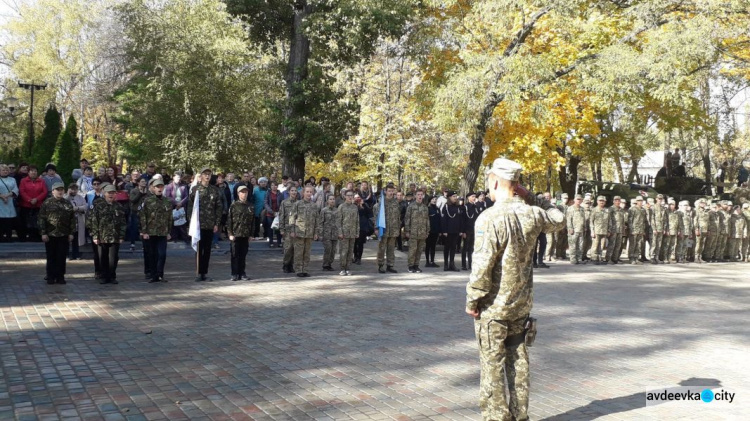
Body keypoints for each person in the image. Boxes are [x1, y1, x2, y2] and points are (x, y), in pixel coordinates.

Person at [465, 158, 564, 421]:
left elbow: (482, 266)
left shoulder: (489, 217)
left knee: (492, 367)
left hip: (494, 308)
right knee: (519, 363)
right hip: (521, 304)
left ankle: (497, 418)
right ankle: (521, 416)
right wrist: (533, 197)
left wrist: (472, 299)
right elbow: (559, 217)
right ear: (518, 185)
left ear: (495, 181)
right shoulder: (533, 213)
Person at [187, 167, 224, 282]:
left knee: (207, 250)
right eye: (205, 174)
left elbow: (219, 207)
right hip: (198, 225)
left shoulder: (214, 190)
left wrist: (217, 223)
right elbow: (190, 207)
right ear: (201, 176)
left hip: (210, 224)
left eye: (209, 174)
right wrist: (190, 222)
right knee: (199, 249)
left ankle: (205, 273)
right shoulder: (195, 189)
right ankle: (198, 273)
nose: (207, 176)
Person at [38, 182, 76, 284]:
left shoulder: (67, 203)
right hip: (50, 234)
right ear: (53, 191)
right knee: (51, 256)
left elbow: (72, 219)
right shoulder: (47, 203)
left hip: (63, 234)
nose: (60, 192)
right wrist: (43, 233)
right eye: (58, 190)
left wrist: (72, 233)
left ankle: (60, 276)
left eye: (61, 190)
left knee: (61, 256)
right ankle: (50, 276)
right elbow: (41, 219)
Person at [90, 184, 126, 284]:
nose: (111, 195)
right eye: (109, 193)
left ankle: (112, 276)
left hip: (115, 236)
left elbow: (123, 222)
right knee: (102, 258)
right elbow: (93, 221)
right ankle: (104, 276)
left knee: (113, 258)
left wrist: (122, 235)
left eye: (113, 193)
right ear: (104, 193)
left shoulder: (118, 206)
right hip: (102, 236)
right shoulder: (98, 204)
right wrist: (95, 235)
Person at [139, 178, 173, 283]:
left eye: (161, 186)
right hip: (151, 232)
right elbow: (143, 216)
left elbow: (170, 217)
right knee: (152, 254)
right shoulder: (147, 201)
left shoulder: (167, 201)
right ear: (153, 188)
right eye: (157, 187)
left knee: (162, 254)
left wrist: (169, 232)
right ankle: (153, 275)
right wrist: (144, 232)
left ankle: (160, 274)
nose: (159, 188)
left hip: (162, 232)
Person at [290, 186, 320, 277]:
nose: (309, 193)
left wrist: (316, 232)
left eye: (310, 192)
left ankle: (305, 269)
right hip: (299, 232)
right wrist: (292, 230)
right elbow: (292, 218)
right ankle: (299, 270)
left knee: (307, 253)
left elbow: (316, 220)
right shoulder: (298, 204)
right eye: (307, 192)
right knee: (299, 252)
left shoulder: (314, 206)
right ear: (303, 193)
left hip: (309, 233)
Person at [373, 183, 402, 273]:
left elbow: (398, 217)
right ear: (385, 191)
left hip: (393, 229)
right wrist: (376, 229)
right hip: (383, 229)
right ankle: (381, 265)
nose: (391, 193)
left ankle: (390, 265)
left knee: (391, 249)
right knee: (382, 248)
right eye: (389, 191)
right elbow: (376, 217)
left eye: (392, 191)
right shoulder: (380, 204)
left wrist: (398, 228)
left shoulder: (396, 203)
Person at [227, 185, 253, 281]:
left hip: (245, 234)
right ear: (238, 194)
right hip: (235, 234)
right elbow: (229, 221)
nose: (244, 194)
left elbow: (252, 221)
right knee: (234, 255)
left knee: (243, 255)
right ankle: (234, 273)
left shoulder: (250, 205)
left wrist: (251, 234)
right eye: (242, 192)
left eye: (246, 192)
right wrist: (230, 234)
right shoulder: (234, 205)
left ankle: (242, 273)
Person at [18, 165, 48, 242]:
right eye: (31, 171)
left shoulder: (41, 181)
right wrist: (29, 200)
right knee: (25, 222)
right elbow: (22, 191)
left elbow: (44, 192)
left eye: (35, 171)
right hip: (26, 205)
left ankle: (36, 237)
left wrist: (37, 199)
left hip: (38, 205)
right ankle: (23, 238)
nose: (33, 172)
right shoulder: (23, 180)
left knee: (37, 222)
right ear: (28, 172)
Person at [404, 190, 430, 273]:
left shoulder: (425, 207)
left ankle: (416, 265)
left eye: (421, 195)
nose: (420, 196)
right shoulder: (411, 206)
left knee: (419, 250)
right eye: (418, 194)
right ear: (415, 196)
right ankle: (410, 266)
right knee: (412, 250)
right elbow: (407, 219)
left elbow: (427, 220)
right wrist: (407, 230)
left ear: (423, 196)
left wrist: (427, 231)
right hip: (413, 232)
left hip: (422, 232)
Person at [439, 190, 465, 271]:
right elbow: (443, 220)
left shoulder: (457, 207)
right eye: (453, 196)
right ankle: (446, 264)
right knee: (447, 247)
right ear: (449, 197)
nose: (455, 198)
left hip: (456, 230)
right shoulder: (446, 207)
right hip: (448, 231)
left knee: (453, 247)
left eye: (456, 196)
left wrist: (461, 230)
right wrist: (444, 231)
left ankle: (452, 264)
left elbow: (460, 219)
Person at [337, 190, 359, 275]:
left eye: (351, 195)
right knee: (343, 251)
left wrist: (357, 231)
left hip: (352, 232)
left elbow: (357, 220)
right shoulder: (341, 207)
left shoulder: (355, 207)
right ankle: (343, 268)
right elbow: (338, 221)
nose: (350, 197)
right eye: (348, 195)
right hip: (344, 232)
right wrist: (340, 232)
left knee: (350, 251)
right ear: (345, 196)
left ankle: (348, 268)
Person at [279, 187, 298, 273]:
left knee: (294, 248)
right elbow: (281, 216)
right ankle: (285, 264)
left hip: (296, 229)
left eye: (295, 191)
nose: (294, 192)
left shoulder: (299, 203)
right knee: (288, 248)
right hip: (287, 228)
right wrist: (281, 229)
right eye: (292, 191)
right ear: (289, 192)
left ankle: (291, 265)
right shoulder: (284, 202)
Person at [65, 183, 87, 260]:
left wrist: (77, 208)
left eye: (75, 189)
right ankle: (66, 254)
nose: (73, 191)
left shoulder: (80, 197)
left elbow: (85, 206)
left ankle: (76, 254)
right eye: (72, 189)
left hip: (78, 220)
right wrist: (68, 195)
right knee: (67, 238)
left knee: (76, 239)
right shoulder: (65, 197)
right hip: (68, 221)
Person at [588, 195, 610, 264]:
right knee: (595, 245)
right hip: (596, 231)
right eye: (600, 201)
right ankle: (594, 258)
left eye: (603, 201)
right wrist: (592, 231)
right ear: (597, 201)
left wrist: (609, 230)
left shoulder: (607, 210)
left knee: (602, 246)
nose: (602, 202)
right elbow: (591, 221)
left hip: (604, 231)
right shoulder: (594, 210)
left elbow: (609, 221)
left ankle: (599, 258)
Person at [319, 195, 339, 271]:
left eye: (333, 199)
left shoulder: (337, 210)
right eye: (330, 199)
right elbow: (320, 222)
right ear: (327, 201)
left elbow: (339, 222)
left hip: (335, 234)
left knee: (333, 250)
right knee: (328, 249)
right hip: (326, 233)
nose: (332, 201)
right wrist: (320, 234)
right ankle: (325, 265)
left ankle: (330, 263)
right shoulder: (324, 210)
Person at [0, 164, 19, 242]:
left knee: (9, 221)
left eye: (6, 170)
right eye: (3, 170)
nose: (5, 171)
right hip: (0, 202)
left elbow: (15, 189)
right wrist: (2, 196)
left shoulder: (12, 179)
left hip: (9, 201)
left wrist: (7, 195)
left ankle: (9, 237)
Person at [353, 194, 373, 265]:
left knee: (360, 243)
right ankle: (355, 256)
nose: (357, 199)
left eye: (358, 197)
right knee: (354, 243)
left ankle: (359, 258)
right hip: (353, 227)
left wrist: (363, 205)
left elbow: (370, 213)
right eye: (355, 198)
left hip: (362, 227)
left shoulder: (364, 205)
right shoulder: (352, 205)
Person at [566, 195, 585, 264]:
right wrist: (570, 228)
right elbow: (568, 219)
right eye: (578, 199)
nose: (579, 200)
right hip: (574, 230)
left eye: (580, 199)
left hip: (581, 229)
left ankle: (579, 259)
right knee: (573, 245)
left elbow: (583, 219)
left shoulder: (582, 209)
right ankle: (573, 259)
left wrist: (584, 227)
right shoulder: (570, 208)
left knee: (580, 245)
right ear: (574, 200)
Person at [628, 196, 647, 264]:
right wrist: (631, 229)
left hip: (640, 230)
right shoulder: (632, 209)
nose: (640, 202)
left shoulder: (643, 210)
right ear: (636, 201)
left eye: (641, 201)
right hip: (634, 230)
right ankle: (631, 258)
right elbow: (630, 220)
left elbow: (644, 221)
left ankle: (636, 257)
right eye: (639, 201)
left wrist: (643, 230)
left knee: (638, 244)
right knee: (633, 244)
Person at [662, 199, 682, 263]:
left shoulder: (677, 212)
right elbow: (665, 222)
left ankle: (669, 257)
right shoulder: (666, 212)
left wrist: (679, 230)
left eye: (673, 204)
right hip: (669, 231)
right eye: (670, 204)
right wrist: (666, 230)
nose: (671, 206)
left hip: (675, 231)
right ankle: (665, 258)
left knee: (672, 245)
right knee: (666, 245)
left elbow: (679, 222)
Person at [263, 181, 283, 247]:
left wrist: (279, 212)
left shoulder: (280, 194)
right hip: (270, 213)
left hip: (278, 213)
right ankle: (271, 242)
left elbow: (282, 203)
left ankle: (279, 242)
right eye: (272, 185)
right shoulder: (268, 193)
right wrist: (271, 211)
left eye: (275, 185)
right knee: (270, 227)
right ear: (270, 186)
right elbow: (266, 203)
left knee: (278, 228)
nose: (274, 187)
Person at [425, 196, 441, 267]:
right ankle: (427, 261)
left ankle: (432, 261)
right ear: (430, 200)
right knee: (428, 246)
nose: (434, 200)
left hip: (436, 230)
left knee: (433, 246)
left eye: (435, 199)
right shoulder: (427, 209)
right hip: (429, 230)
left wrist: (440, 230)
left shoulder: (437, 209)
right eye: (433, 199)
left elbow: (440, 220)